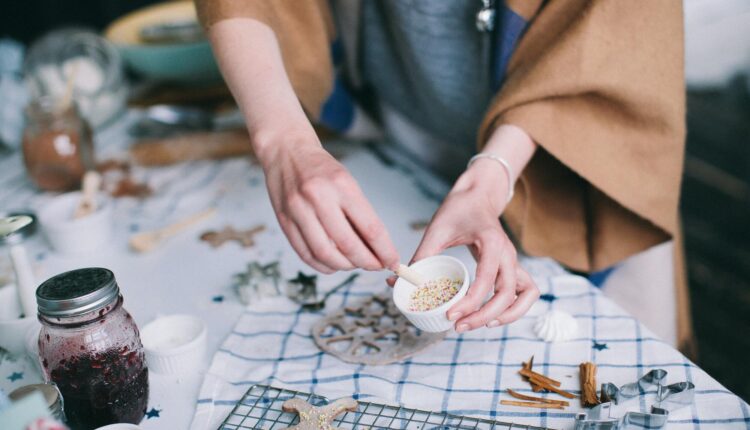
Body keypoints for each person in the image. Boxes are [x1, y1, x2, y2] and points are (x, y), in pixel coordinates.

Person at [195, 0, 690, 348]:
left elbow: (615, 32)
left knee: (611, 344)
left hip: (570, 152)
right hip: (402, 124)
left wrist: (488, 178)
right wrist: (284, 140)